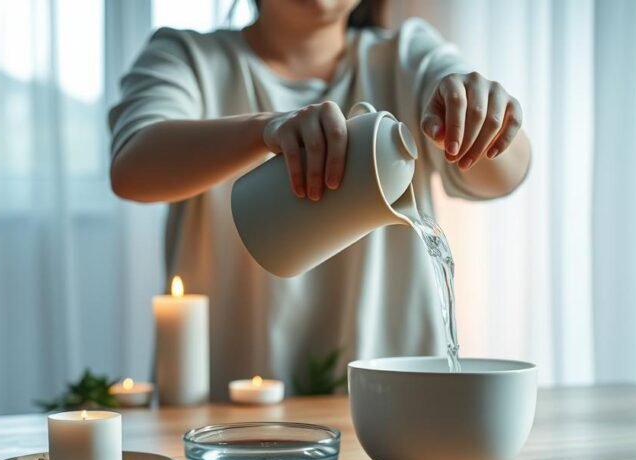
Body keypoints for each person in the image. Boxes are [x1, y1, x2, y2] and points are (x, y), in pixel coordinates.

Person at [108, 0, 531, 400]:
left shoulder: (407, 56)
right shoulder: (189, 57)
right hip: (230, 415)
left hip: (394, 410)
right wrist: (265, 130)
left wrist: (485, 117)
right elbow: (132, 166)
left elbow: (505, 174)